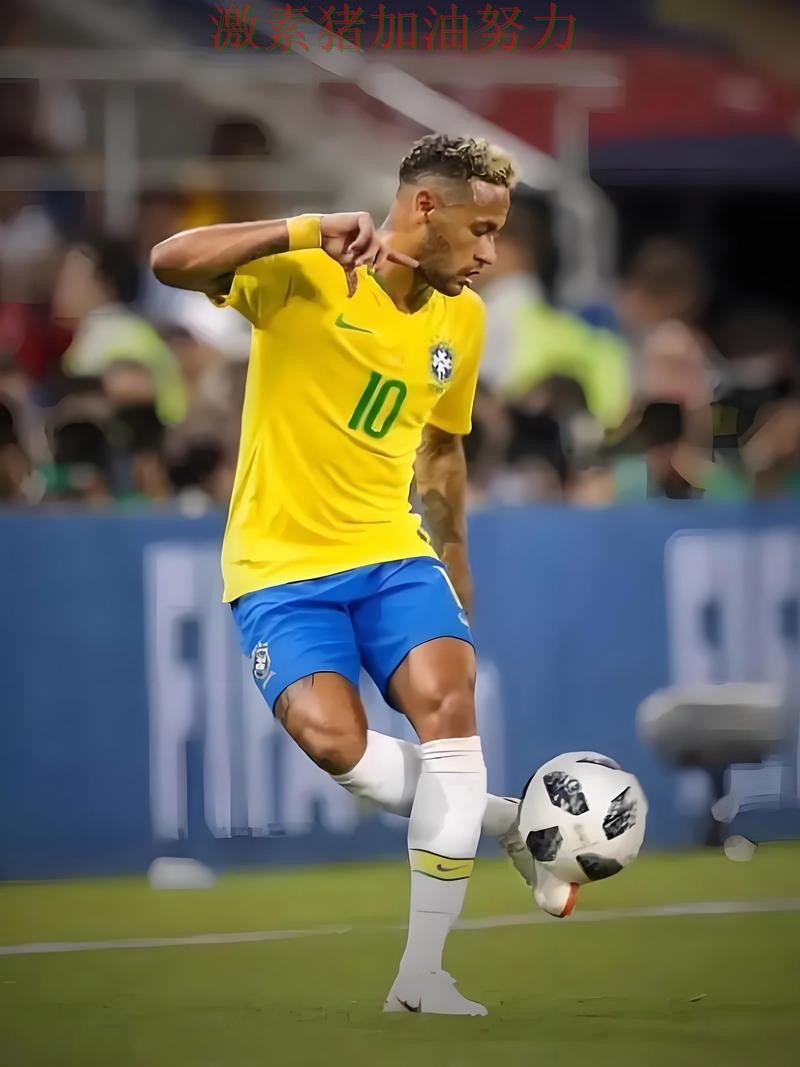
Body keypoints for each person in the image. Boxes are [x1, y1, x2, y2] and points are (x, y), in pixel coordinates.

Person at [151, 134, 576, 1018]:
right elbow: (169, 260)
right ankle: (510, 820)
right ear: (425, 207)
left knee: (450, 716)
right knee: (338, 746)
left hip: (393, 555)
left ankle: (423, 975)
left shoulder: (462, 319)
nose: (491, 253)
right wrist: (302, 228)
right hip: (280, 565)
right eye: (481, 229)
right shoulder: (309, 275)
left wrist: (454, 557)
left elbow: (443, 446)